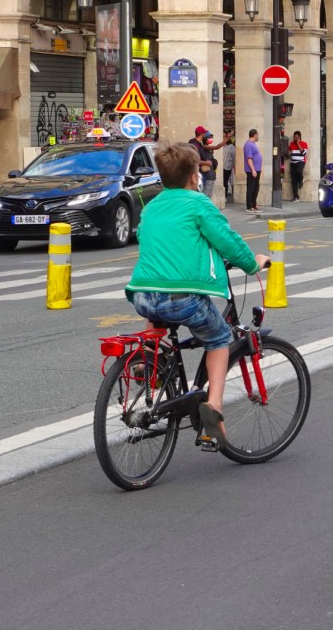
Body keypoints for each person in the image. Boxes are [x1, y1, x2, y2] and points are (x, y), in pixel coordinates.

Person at [124, 142, 269, 448]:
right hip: (182, 297)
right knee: (218, 339)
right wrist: (252, 262)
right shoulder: (198, 204)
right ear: (194, 176)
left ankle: (150, 365)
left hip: (143, 294)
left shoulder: (151, 206)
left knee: (159, 325)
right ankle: (213, 408)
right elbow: (228, 241)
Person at [189, 125, 219, 199]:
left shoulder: (199, 145)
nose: (204, 135)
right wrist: (206, 163)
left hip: (203, 175)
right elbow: (194, 160)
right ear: (201, 134)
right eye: (204, 133)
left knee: (206, 197)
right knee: (203, 197)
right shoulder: (194, 145)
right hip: (199, 175)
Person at [243, 128, 263, 212]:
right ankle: (249, 206)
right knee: (251, 188)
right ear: (255, 135)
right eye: (257, 134)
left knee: (256, 188)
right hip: (252, 170)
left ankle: (254, 204)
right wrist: (253, 170)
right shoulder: (249, 144)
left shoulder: (253, 144)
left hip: (256, 169)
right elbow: (249, 158)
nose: (258, 136)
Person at [288, 130, 308, 201]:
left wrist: (298, 144)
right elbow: (289, 153)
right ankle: (295, 196)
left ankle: (301, 180)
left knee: (298, 171)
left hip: (301, 161)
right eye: (294, 137)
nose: (295, 138)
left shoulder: (304, 144)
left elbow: (303, 153)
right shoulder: (291, 144)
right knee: (294, 180)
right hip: (293, 162)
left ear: (300, 137)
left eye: (296, 137)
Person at [221, 130, 236, 203]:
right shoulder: (219, 146)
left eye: (224, 136)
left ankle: (225, 196)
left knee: (225, 182)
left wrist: (234, 166)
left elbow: (234, 158)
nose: (222, 137)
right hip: (219, 167)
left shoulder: (231, 147)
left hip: (227, 167)